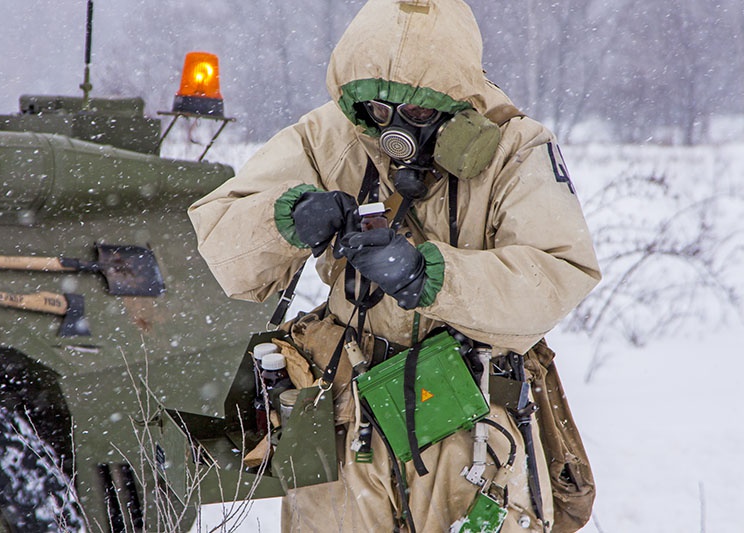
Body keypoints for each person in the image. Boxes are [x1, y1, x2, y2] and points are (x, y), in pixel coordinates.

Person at [188, 0, 601, 531]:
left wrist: (428, 277)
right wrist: (287, 218)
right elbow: (220, 239)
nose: (395, 131)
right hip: (344, 420)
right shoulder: (331, 135)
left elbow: (558, 274)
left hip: (470, 429)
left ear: (459, 103)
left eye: (422, 114)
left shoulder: (515, 149)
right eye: (378, 113)